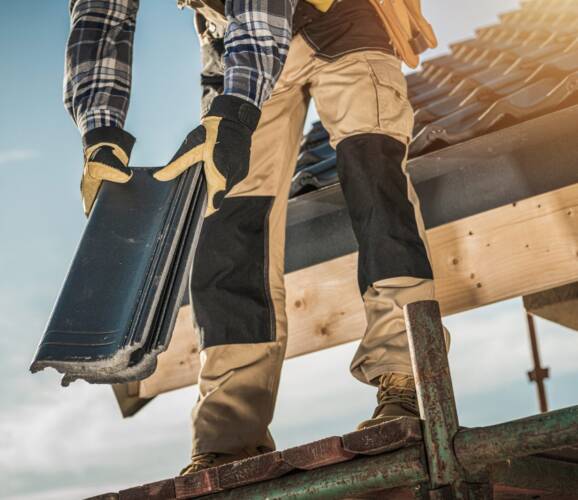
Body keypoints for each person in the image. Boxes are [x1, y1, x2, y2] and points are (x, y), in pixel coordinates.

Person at [64, 0, 441, 475]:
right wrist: (100, 134)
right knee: (228, 222)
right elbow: (101, 18)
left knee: (374, 179)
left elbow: (262, 12)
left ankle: (405, 377)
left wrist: (238, 114)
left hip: (345, 19)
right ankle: (228, 436)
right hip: (232, 40)